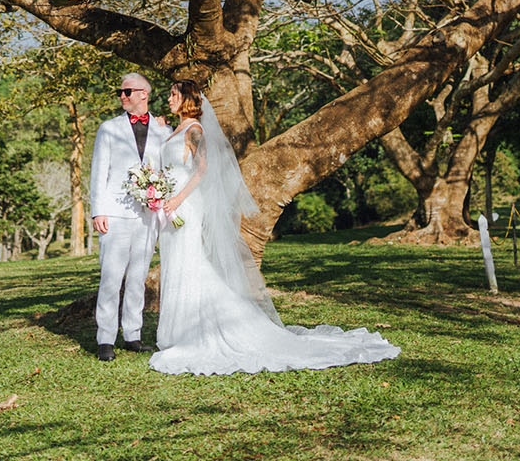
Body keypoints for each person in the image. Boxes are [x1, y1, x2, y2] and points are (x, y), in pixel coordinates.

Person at [149, 79, 401, 375]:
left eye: (174, 94)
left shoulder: (195, 130)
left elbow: (202, 170)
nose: (168, 98)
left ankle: (200, 331)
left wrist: (177, 198)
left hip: (186, 206)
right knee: (176, 264)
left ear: (187, 99)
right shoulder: (175, 129)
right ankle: (178, 331)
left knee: (191, 264)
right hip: (168, 208)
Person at [88, 72, 170, 361]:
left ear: (144, 94)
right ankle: (105, 339)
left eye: (127, 92)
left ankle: (132, 335)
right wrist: (98, 210)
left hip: (148, 215)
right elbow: (99, 171)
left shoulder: (163, 130)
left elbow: (168, 170)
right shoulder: (108, 129)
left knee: (138, 276)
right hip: (115, 212)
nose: (122, 96)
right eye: (120, 92)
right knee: (111, 277)